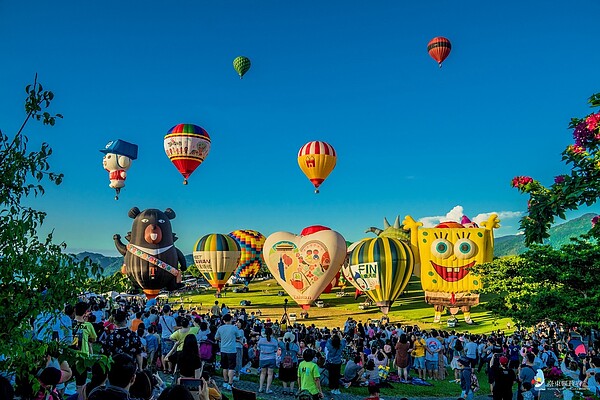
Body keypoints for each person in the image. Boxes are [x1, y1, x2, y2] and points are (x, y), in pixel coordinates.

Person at [215, 313, 242, 391]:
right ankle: (230, 383)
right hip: (232, 350)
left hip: (223, 349)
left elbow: (216, 337)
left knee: (224, 367)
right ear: (231, 320)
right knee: (231, 367)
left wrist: (222, 339)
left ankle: (225, 381)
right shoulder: (234, 328)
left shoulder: (220, 328)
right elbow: (238, 336)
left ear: (223, 320)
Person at [279, 331, 300, 395]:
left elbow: (278, 340)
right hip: (293, 363)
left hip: (283, 362)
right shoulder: (295, 345)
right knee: (292, 378)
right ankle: (291, 391)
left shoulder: (282, 344)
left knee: (284, 377)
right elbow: (298, 352)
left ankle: (285, 390)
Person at [258, 326, 278, 394]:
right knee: (270, 374)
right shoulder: (274, 341)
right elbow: (275, 350)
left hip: (263, 358)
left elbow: (258, 348)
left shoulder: (261, 340)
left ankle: (260, 388)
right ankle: (268, 389)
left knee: (262, 373)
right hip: (271, 358)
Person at [159, 305, 178, 374]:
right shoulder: (171, 319)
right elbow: (175, 327)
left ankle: (164, 368)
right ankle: (170, 369)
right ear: (169, 311)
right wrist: (181, 327)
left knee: (163, 353)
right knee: (170, 353)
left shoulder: (161, 318)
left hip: (163, 336)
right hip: (170, 337)